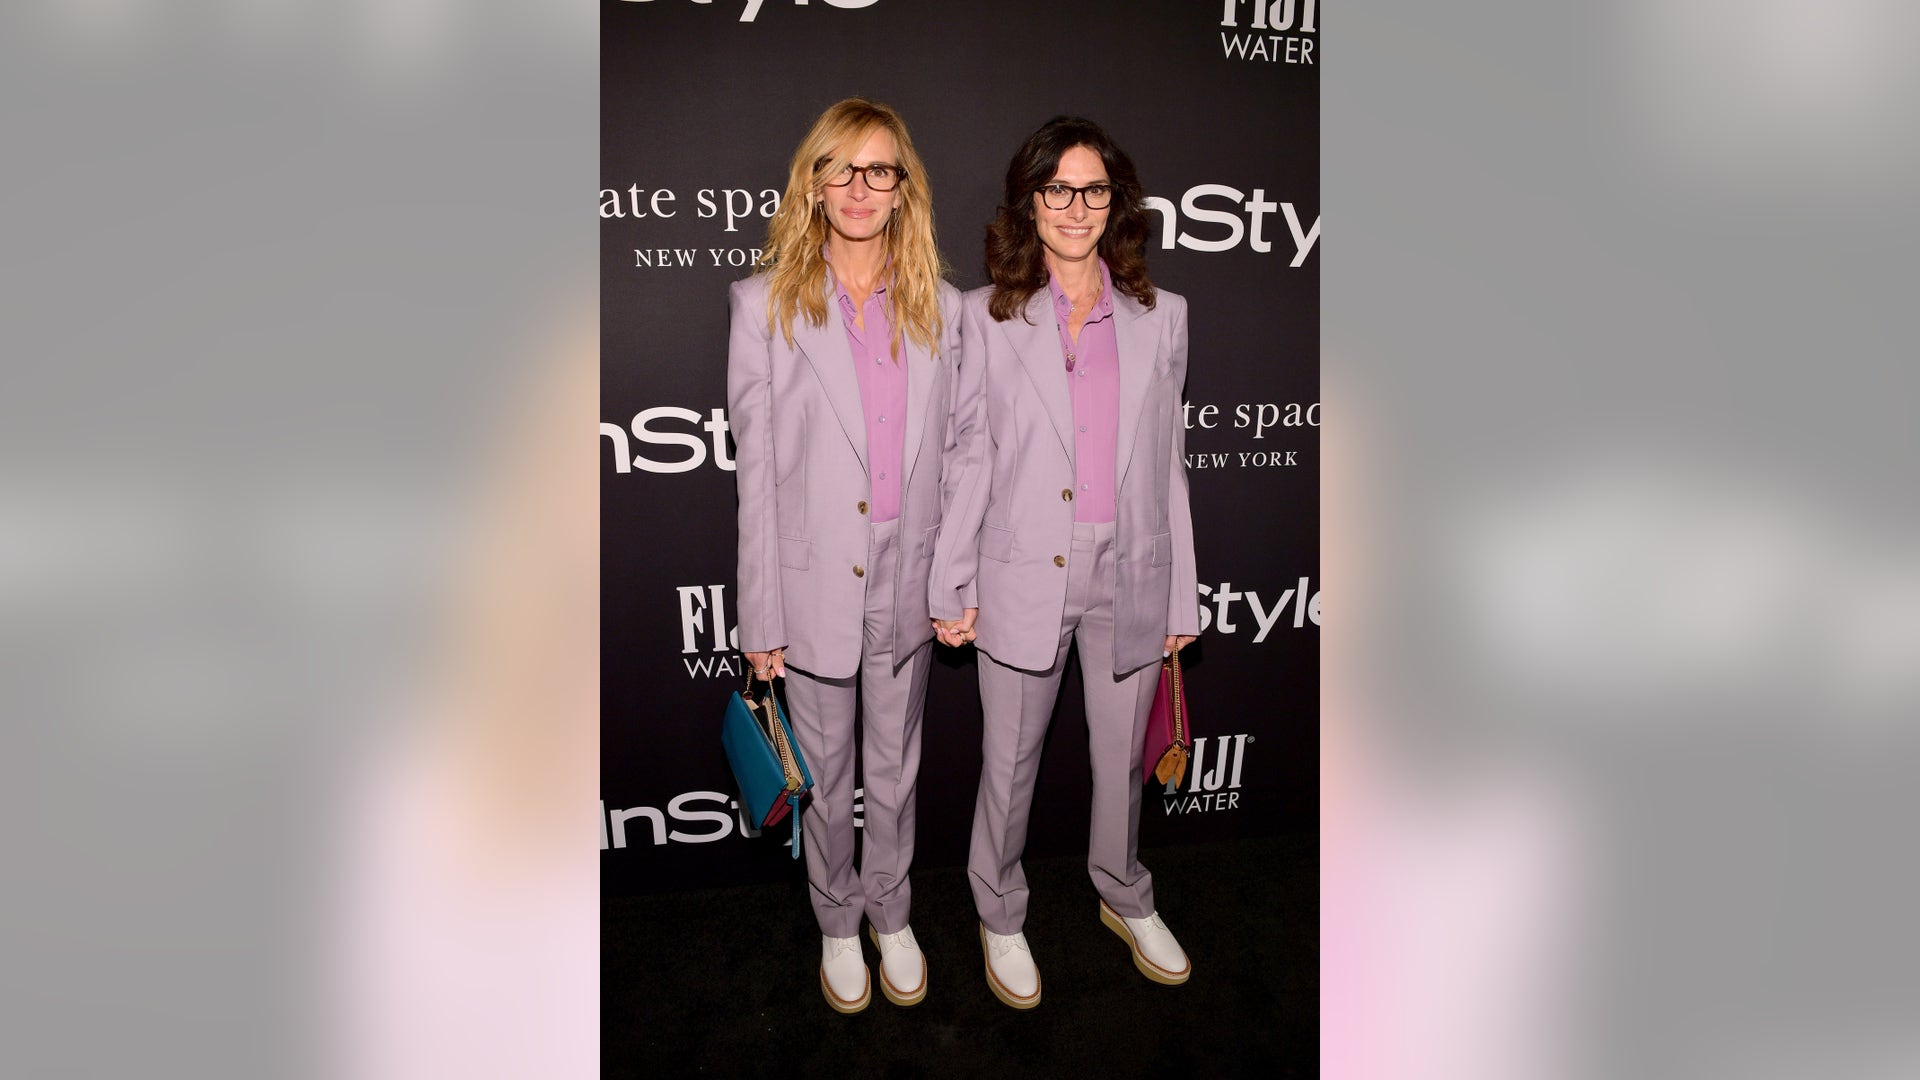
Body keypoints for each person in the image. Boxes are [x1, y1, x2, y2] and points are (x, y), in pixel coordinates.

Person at [929, 116, 1200, 1009]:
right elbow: (968, 456)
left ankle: (1124, 894)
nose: (1075, 207)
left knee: (1122, 758)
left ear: (1115, 204)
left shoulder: (1165, 319)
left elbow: (1168, 463)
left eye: (1093, 190)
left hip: (1129, 569)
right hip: (1019, 572)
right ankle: (999, 912)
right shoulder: (983, 316)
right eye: (1057, 189)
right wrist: (952, 578)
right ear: (1030, 201)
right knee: (1008, 761)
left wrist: (1179, 598)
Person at [727, 98, 961, 1014]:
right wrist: (761, 614)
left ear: (904, 190)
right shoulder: (763, 305)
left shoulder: (945, 309)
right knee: (827, 777)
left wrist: (955, 581)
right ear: (814, 182)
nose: (860, 188)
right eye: (842, 169)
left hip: (907, 578)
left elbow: (964, 459)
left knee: (896, 768)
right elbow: (758, 479)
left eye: (881, 170)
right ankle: (835, 920)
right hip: (814, 583)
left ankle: (890, 910)